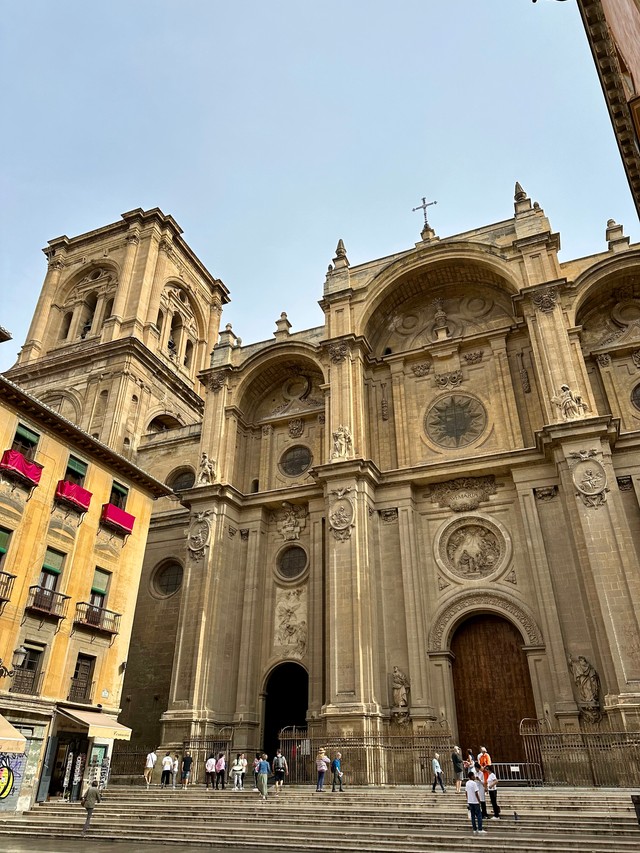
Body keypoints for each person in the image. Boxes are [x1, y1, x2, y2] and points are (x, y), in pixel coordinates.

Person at [465, 771, 487, 835]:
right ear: (471, 776)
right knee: (479, 815)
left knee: (472, 816)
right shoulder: (474, 783)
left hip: (470, 801)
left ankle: (474, 829)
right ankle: (480, 828)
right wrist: (479, 800)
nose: (474, 777)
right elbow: (476, 793)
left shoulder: (467, 783)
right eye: (473, 776)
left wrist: (468, 799)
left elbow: (466, 792)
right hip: (475, 801)